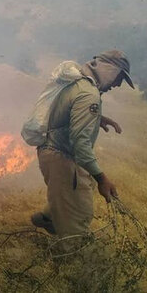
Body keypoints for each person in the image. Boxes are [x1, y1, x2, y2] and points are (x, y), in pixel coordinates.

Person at [31, 50, 135, 237]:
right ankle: (72, 255)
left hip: (50, 151)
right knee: (78, 219)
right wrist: (102, 179)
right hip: (61, 157)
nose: (118, 84)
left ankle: (49, 218)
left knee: (78, 190)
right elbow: (81, 146)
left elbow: (67, 110)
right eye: (119, 77)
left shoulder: (78, 83)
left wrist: (96, 118)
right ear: (109, 70)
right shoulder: (89, 94)